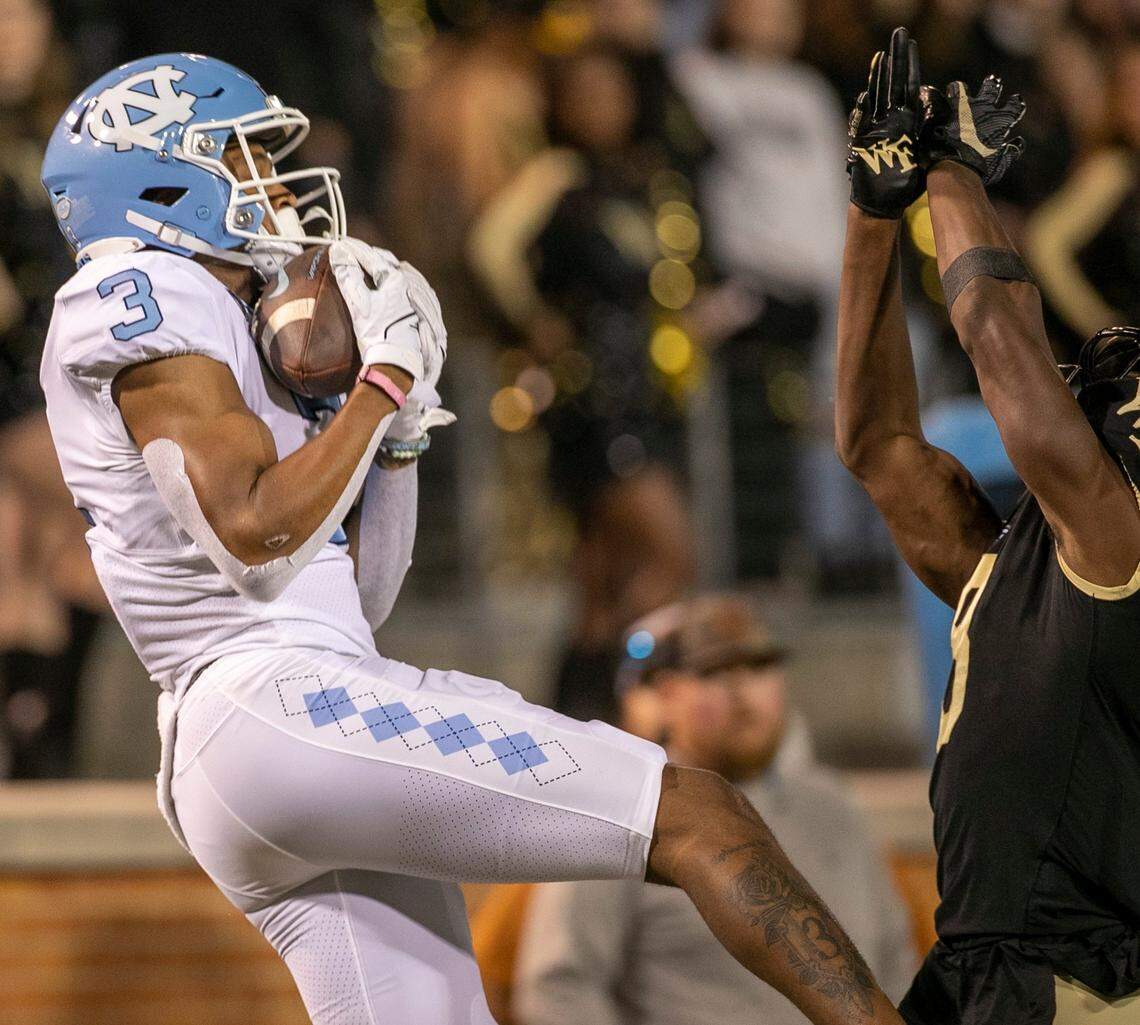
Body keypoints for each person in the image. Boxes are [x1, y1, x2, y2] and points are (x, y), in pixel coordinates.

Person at [38, 54, 905, 1025]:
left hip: (277, 719)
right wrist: (380, 391)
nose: (276, 188)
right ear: (163, 179)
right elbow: (252, 531)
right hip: (267, 702)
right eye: (244, 160)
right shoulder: (139, 286)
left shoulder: (228, 322)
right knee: (703, 814)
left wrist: (396, 439)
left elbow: (356, 599)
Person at [838, 27, 1140, 1025]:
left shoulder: (1121, 541)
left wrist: (950, 176)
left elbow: (1009, 364)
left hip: (1086, 987)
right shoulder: (1024, 561)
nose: (1101, 372)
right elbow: (880, 444)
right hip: (986, 972)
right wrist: (873, 213)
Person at [514, 595, 916, 1025]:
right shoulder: (626, 810)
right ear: (666, 694)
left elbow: (895, 965)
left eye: (760, 666)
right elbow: (558, 986)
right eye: (714, 671)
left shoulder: (834, 808)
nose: (743, 690)